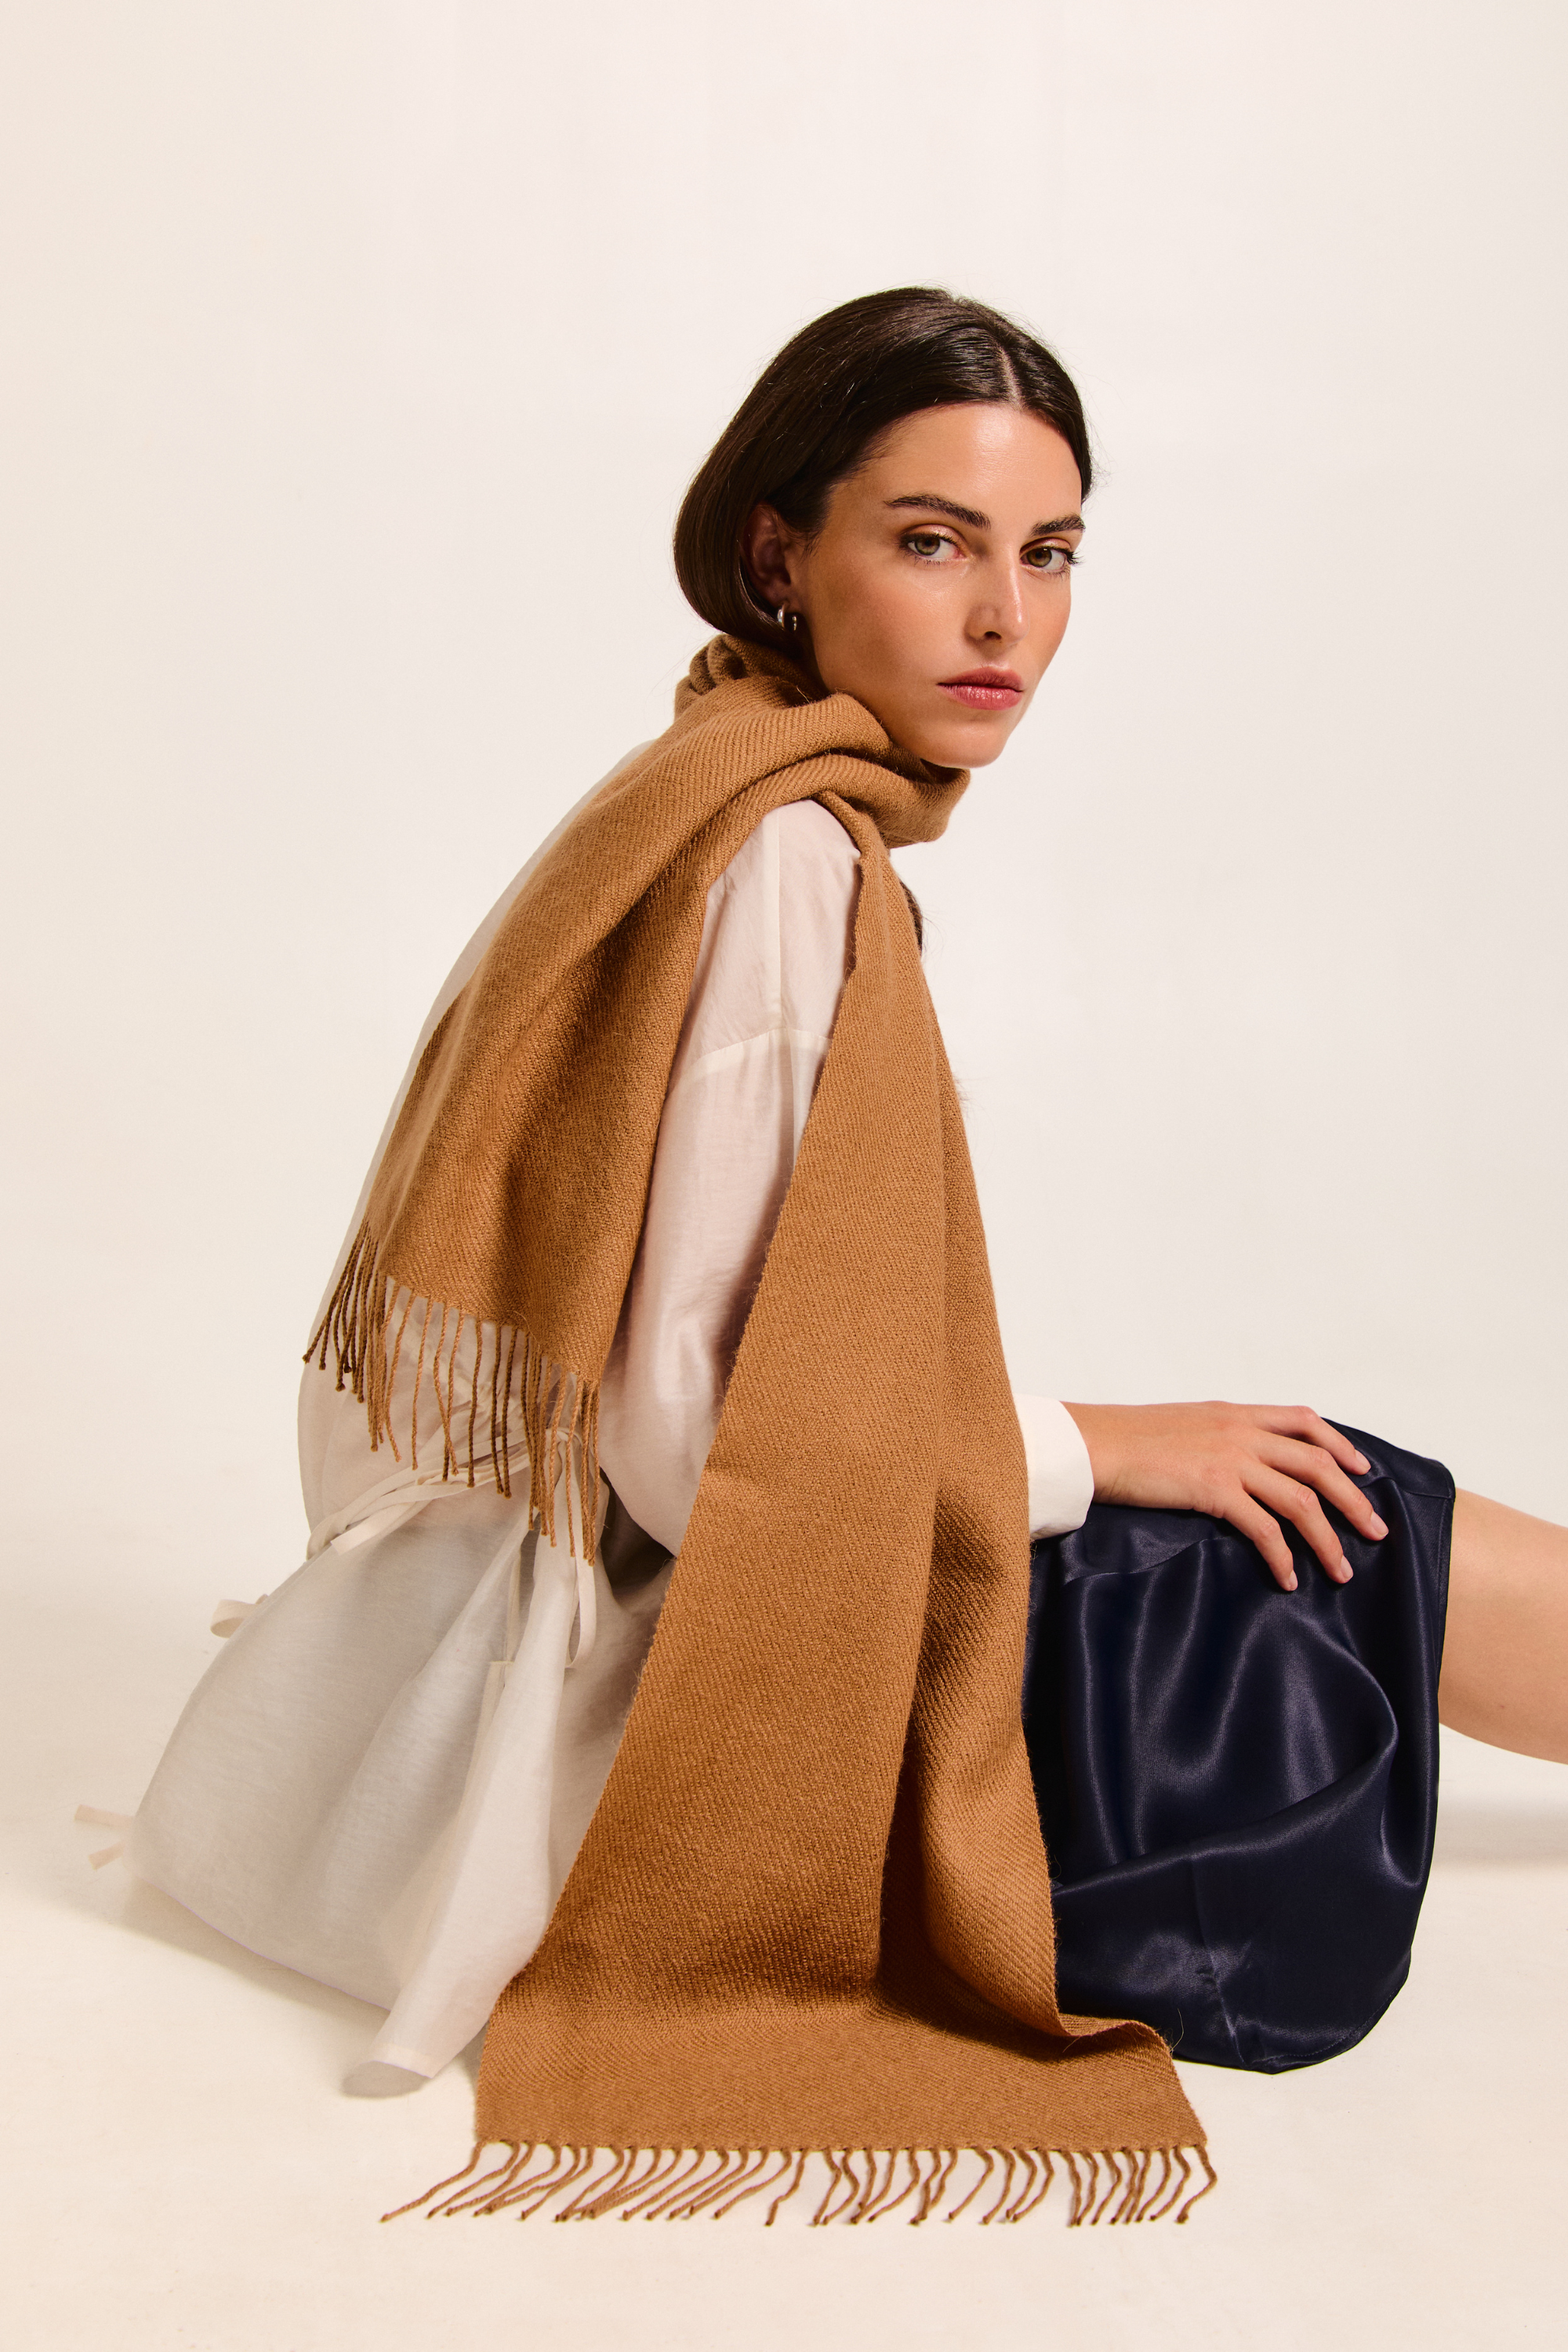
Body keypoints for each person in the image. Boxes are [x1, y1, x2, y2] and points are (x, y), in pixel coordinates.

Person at [125, 289, 1567, 2223]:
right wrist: (1089, 1448)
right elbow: (696, 1451)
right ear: (778, 554)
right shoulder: (783, 857)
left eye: (1046, 556)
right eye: (931, 542)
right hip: (615, 1713)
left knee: (1278, 1504)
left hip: (420, 1663)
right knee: (1329, 1520)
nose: (1005, 623)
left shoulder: (695, 787)